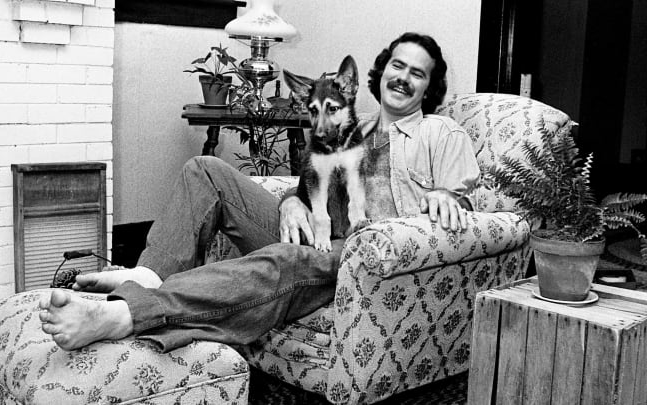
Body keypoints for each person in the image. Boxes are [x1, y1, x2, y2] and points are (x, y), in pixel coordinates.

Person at [38, 32, 480, 352]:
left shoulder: (441, 132)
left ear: (429, 86)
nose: (403, 78)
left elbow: (465, 204)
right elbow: (306, 184)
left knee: (287, 259)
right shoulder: (352, 124)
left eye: (417, 74)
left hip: (360, 253)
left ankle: (123, 314)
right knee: (206, 170)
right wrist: (290, 204)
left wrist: (448, 197)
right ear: (382, 71)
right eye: (397, 66)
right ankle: (148, 274)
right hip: (315, 230)